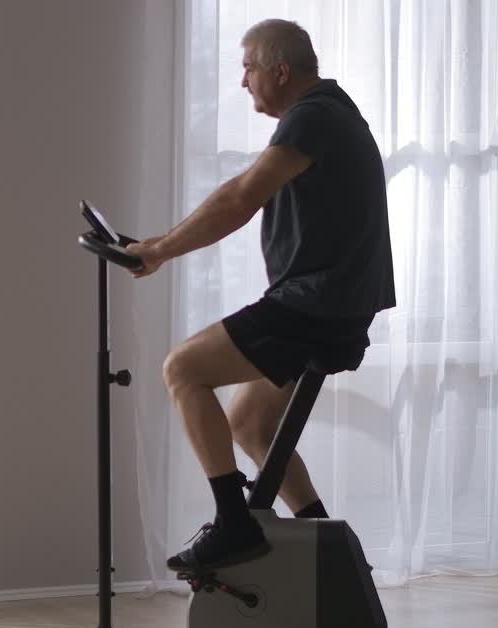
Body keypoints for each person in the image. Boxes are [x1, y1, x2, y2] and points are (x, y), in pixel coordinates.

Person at [123, 19, 396, 572]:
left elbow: (241, 197)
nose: (243, 82)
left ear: (280, 69)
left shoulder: (315, 116)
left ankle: (233, 525)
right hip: (332, 304)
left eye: (248, 68)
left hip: (318, 304)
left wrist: (160, 249)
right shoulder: (327, 113)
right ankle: (332, 559)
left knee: (184, 369)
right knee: (250, 423)